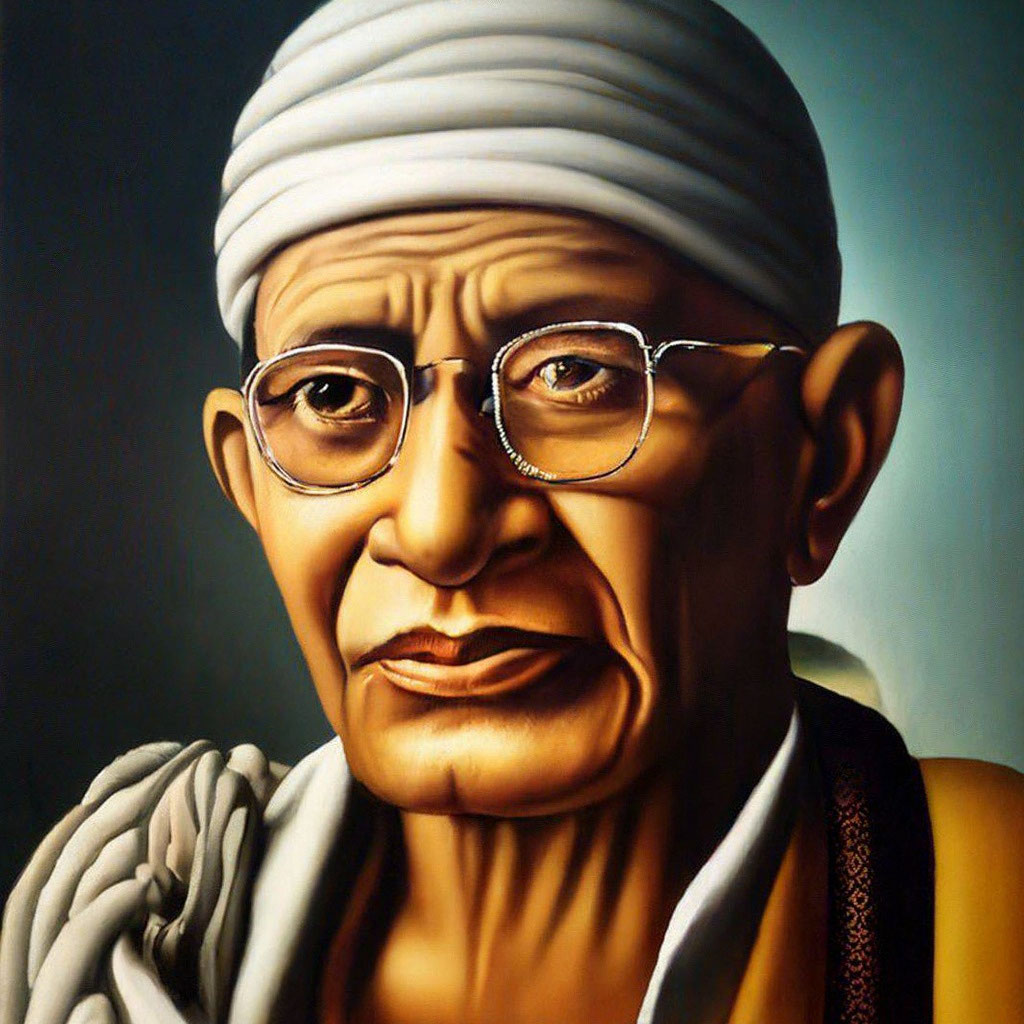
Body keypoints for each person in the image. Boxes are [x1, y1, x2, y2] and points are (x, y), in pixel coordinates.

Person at [2, 2, 1021, 1022]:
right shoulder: (143, 948)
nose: (441, 530)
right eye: (334, 394)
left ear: (825, 455)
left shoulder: (975, 910)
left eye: (574, 373)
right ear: (249, 480)